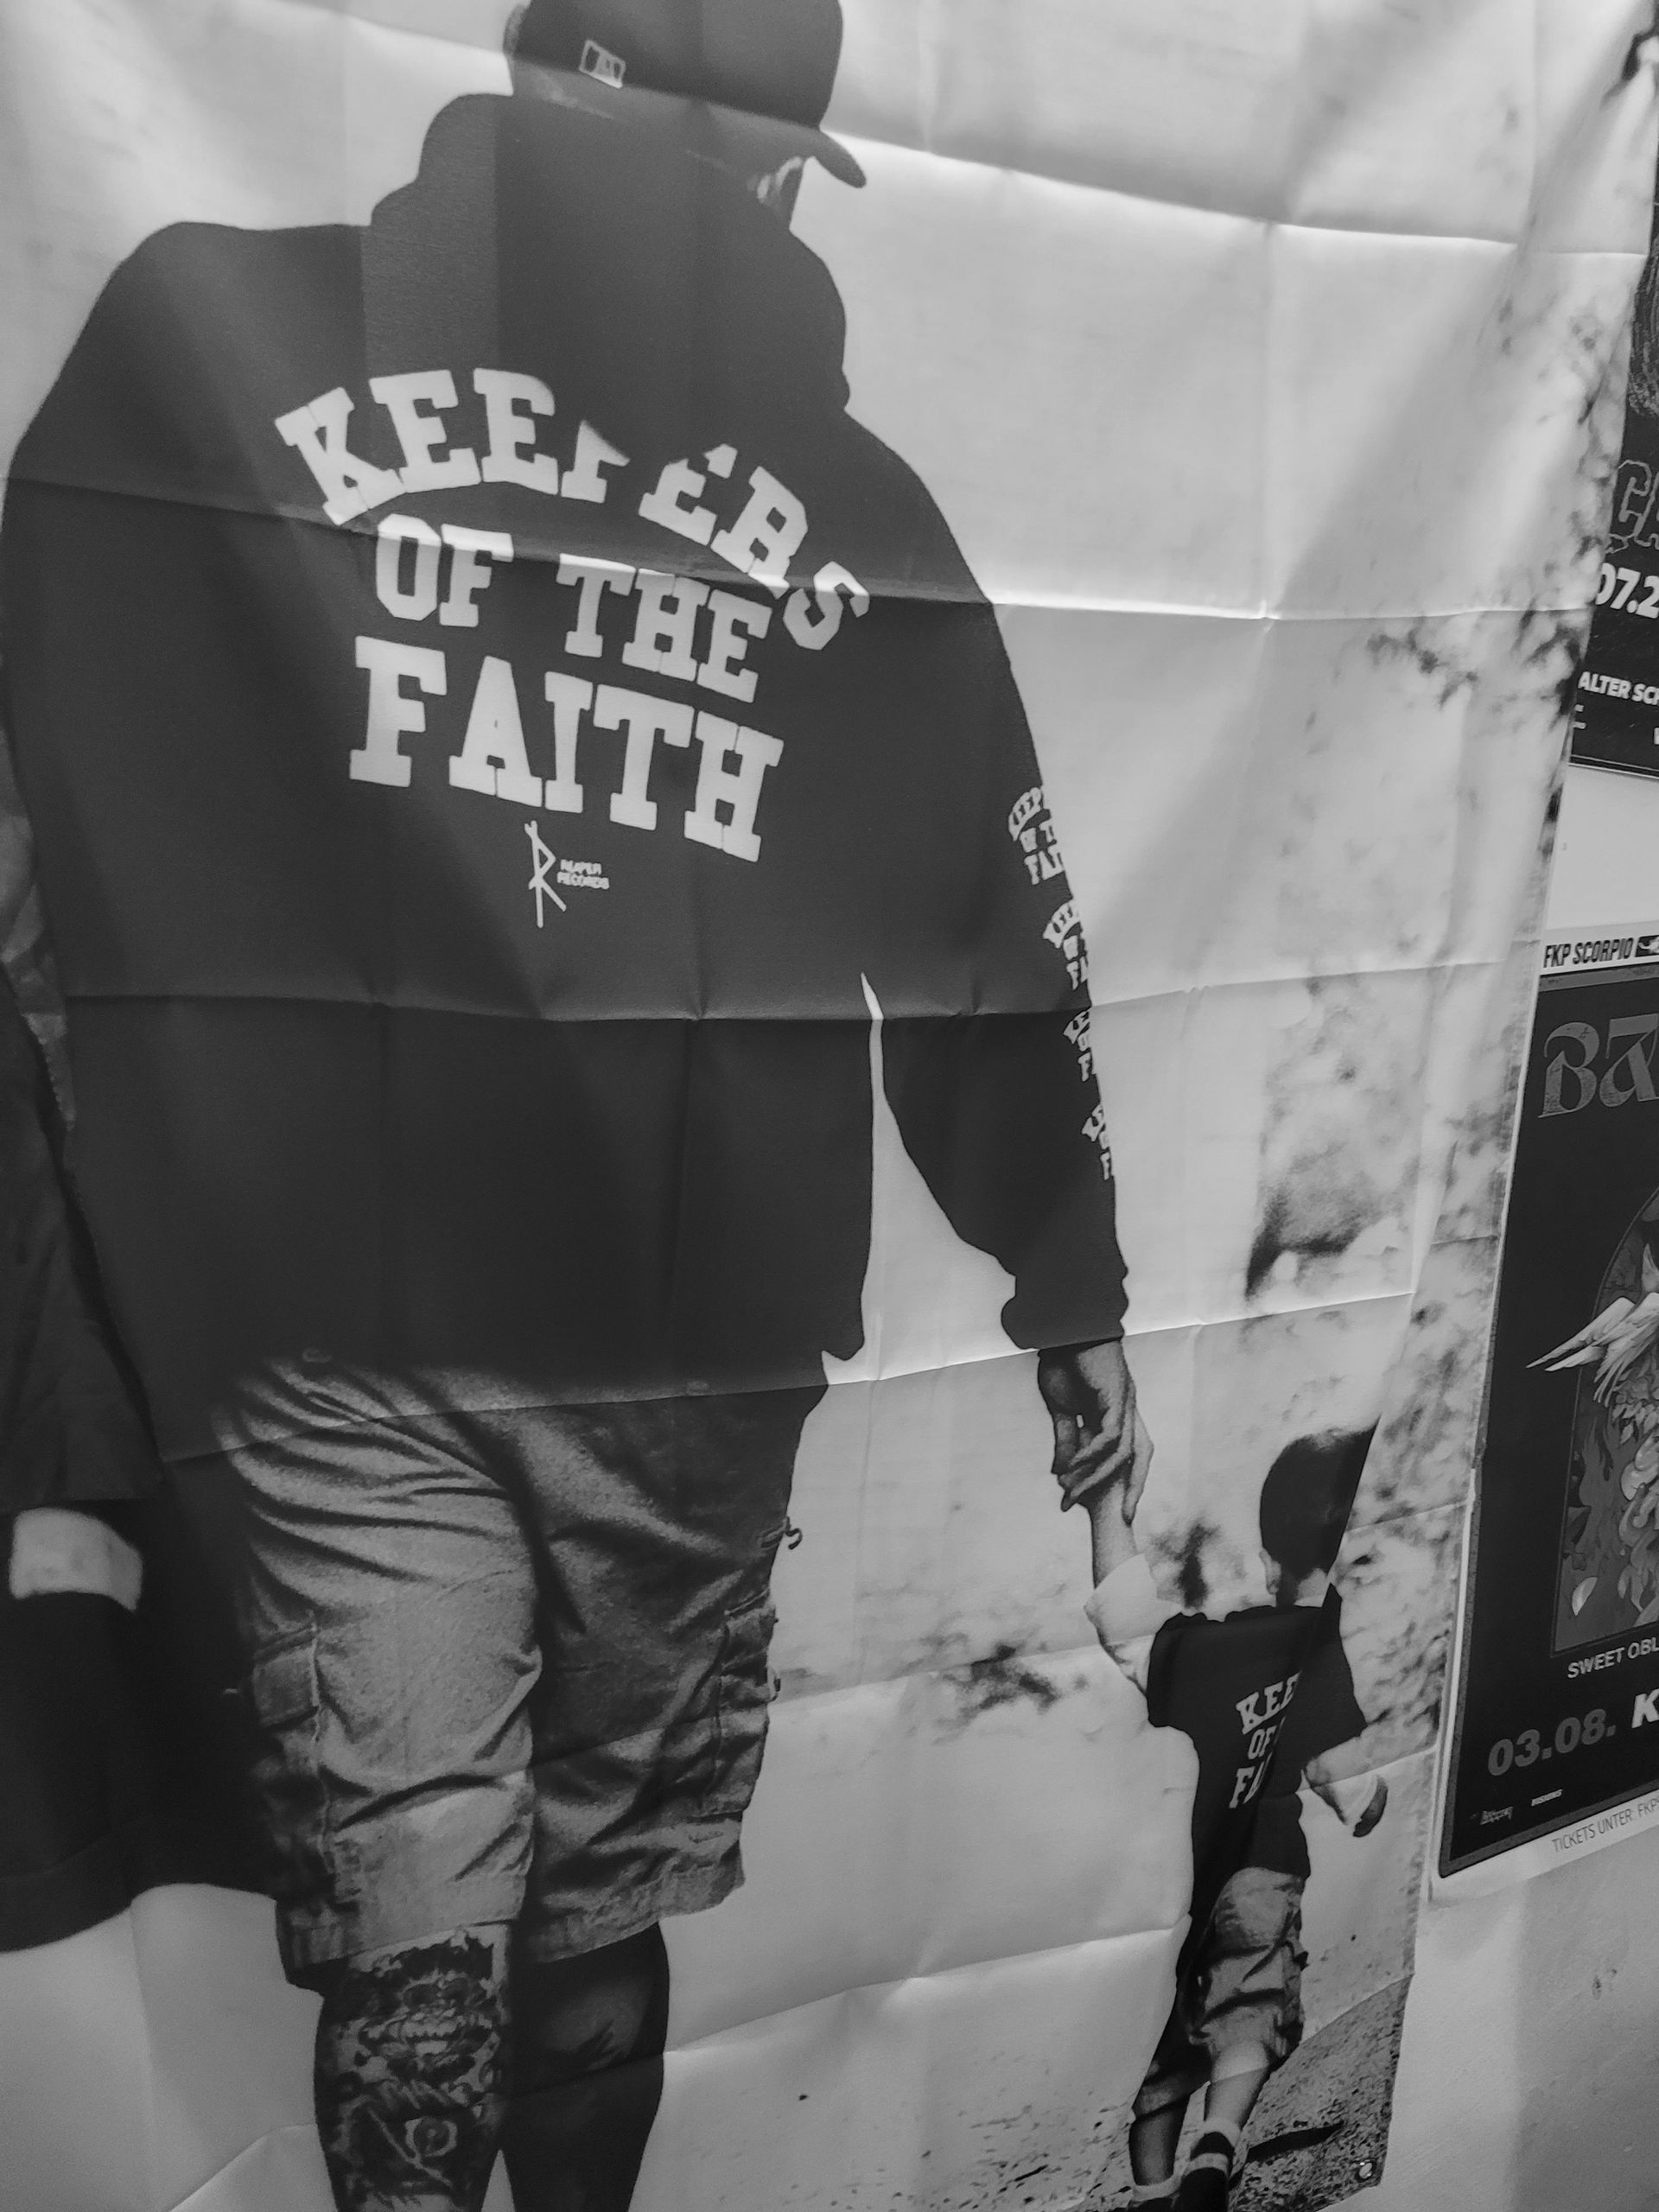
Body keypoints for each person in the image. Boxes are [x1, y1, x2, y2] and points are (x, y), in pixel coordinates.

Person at [0, 3, 1149, 2208]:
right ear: (578, 89)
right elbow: (53, 751)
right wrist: (1068, 1280)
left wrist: (1068, 1270)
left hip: (627, 1349)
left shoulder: (843, 501)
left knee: (559, 1943)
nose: (755, 205)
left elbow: (981, 912)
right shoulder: (218, 337)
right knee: (445, 1954)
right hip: (373, 1340)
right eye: (745, 156)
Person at [1073, 1427, 1382, 2212]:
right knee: (1251, 1999)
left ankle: (1152, 2190)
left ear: (1270, 1561)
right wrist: (1369, 1801)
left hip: (1186, 1884)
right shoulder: (1320, 1650)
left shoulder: (1213, 1649)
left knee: (1168, 2037)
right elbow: (1341, 1777)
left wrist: (1108, 1507)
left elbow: (1125, 1622)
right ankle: (1218, 2143)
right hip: (1264, 1867)